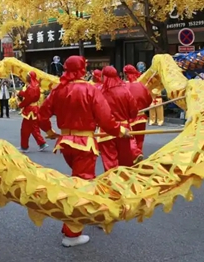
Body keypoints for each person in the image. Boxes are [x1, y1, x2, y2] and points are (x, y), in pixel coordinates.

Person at [38, 56, 130, 248]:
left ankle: (85, 217)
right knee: (82, 185)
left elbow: (42, 114)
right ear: (82, 70)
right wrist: (120, 131)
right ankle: (72, 233)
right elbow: (105, 119)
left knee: (78, 181)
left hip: (65, 144)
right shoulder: (90, 89)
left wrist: (49, 132)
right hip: (85, 143)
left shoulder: (58, 89)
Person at [98, 66, 139, 170]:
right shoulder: (125, 90)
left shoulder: (99, 92)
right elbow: (134, 111)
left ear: (104, 76)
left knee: (110, 163)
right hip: (124, 129)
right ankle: (124, 183)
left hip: (105, 131)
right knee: (125, 162)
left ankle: (111, 183)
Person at [123, 64, 152, 154]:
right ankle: (138, 152)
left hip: (129, 117)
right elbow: (149, 100)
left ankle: (134, 154)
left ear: (126, 74)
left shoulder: (123, 86)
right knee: (139, 138)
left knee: (130, 138)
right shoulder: (142, 86)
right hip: (141, 116)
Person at [17, 71, 48, 152]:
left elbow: (28, 99)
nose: (26, 77)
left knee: (25, 129)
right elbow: (28, 95)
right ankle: (42, 143)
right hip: (34, 109)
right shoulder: (35, 86)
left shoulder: (31, 87)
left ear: (30, 77)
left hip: (29, 110)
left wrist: (20, 105)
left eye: (27, 76)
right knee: (34, 128)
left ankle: (24, 146)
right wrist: (19, 92)